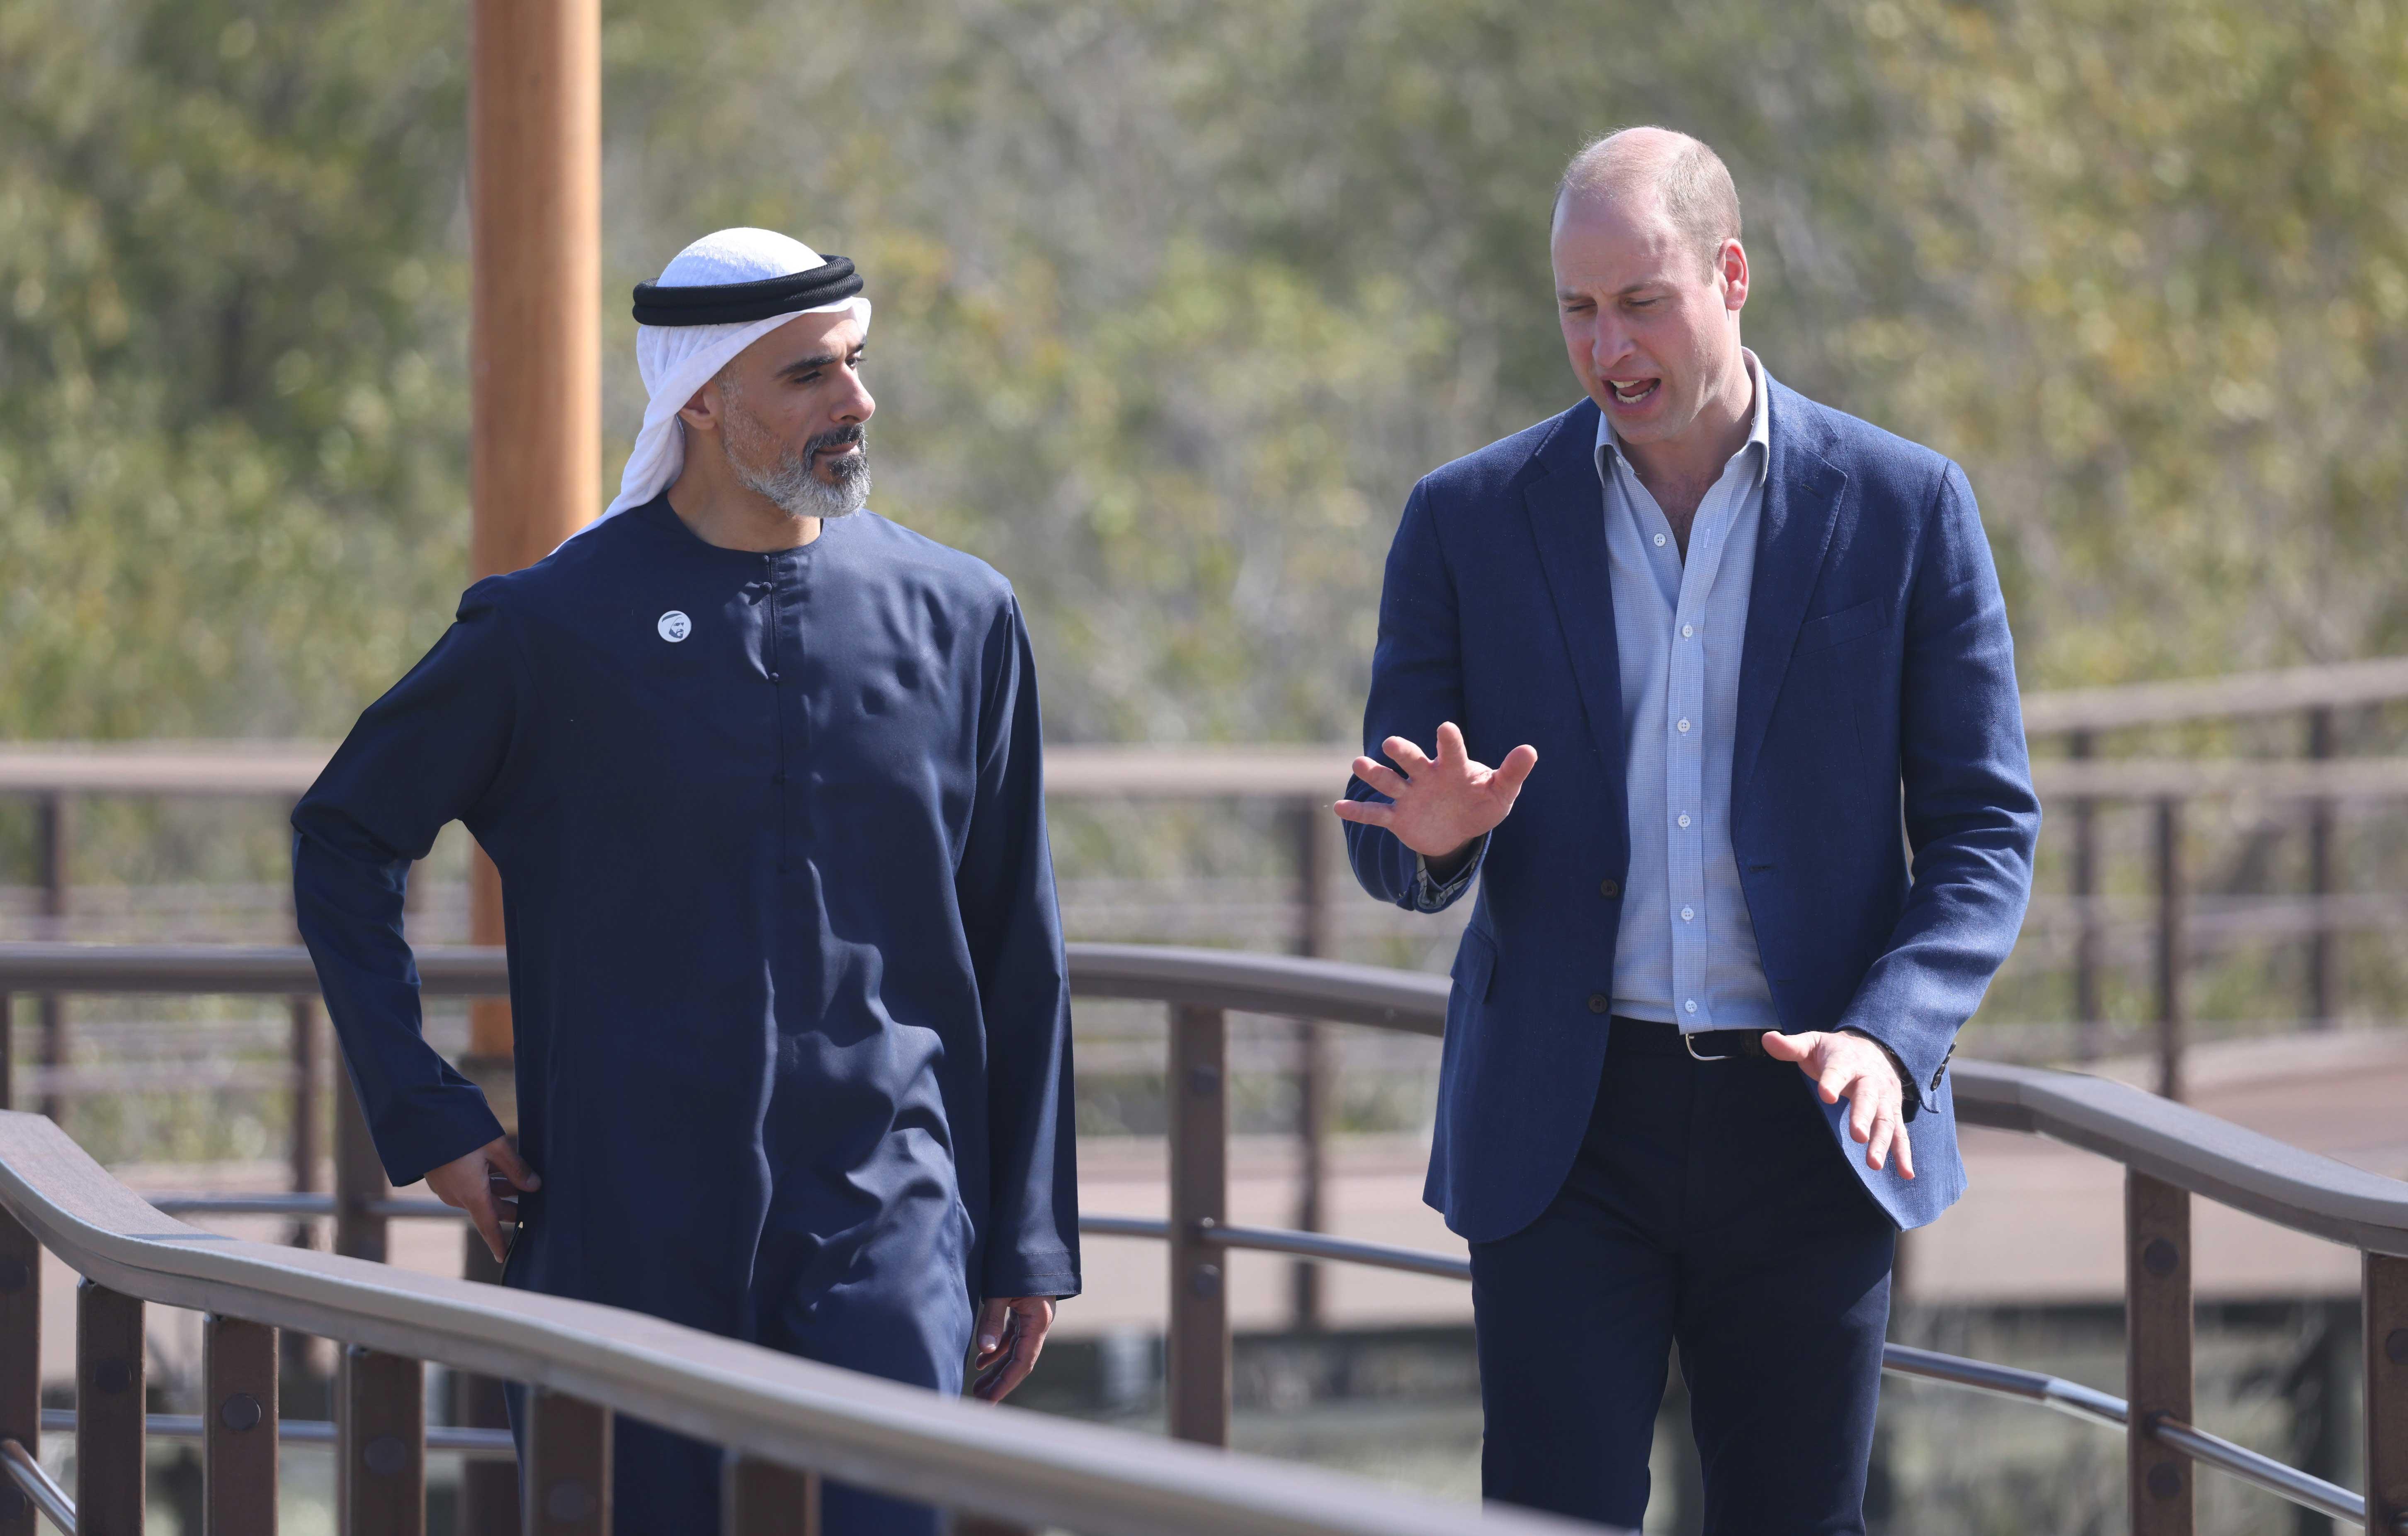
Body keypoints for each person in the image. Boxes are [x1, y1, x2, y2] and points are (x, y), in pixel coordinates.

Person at [293, 228, 1080, 1534]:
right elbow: (344, 841)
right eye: (811, 375)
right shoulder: (547, 628)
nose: (858, 403)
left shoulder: (966, 615)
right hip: (619, 1229)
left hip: (891, 1220)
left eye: (858, 364)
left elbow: (1018, 938)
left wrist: (1024, 1237)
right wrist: (425, 1114)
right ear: (702, 400)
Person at [1335, 128, 2038, 1533]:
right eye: (1578, 311)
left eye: (1641, 301)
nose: (1608, 346)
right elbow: (1388, 839)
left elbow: (1983, 830)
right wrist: (1435, 838)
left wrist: (1891, 1036)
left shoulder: (1905, 508)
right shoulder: (1465, 520)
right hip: (1564, 1130)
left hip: (1812, 1118)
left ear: (1730, 275)